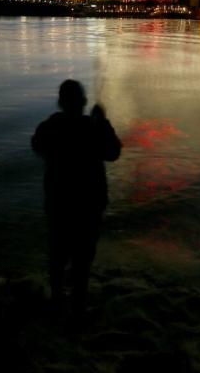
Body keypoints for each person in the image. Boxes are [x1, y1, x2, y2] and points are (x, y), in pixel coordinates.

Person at [31, 80, 122, 319]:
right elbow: (113, 152)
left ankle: (57, 298)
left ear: (60, 103)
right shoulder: (92, 129)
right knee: (83, 257)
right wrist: (102, 122)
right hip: (89, 205)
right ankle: (78, 305)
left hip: (59, 203)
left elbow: (36, 144)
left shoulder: (51, 126)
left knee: (58, 253)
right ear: (83, 103)